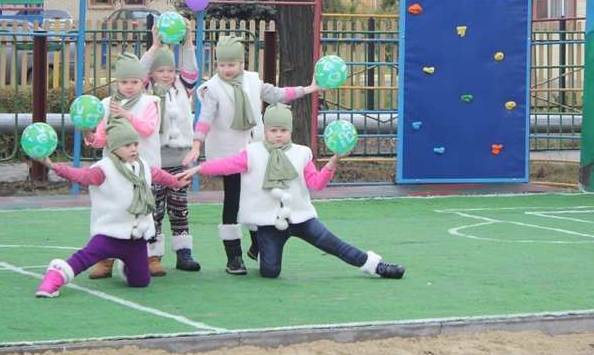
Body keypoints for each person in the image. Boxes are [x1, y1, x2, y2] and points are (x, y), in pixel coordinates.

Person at [178, 103, 405, 280]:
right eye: (273, 130)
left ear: (291, 131)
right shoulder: (251, 152)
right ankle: (258, 246)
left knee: (335, 245)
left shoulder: (301, 153)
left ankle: (375, 266)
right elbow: (226, 165)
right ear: (265, 131)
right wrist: (199, 168)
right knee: (270, 272)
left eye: (283, 130)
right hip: (269, 223)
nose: (278, 135)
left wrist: (333, 161)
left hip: (301, 217)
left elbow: (315, 184)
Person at [193, 34, 322, 275]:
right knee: (232, 201)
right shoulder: (212, 88)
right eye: (222, 65)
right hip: (229, 154)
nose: (226, 69)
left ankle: (256, 244)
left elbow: (277, 94)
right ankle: (233, 256)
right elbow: (205, 118)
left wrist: (309, 89)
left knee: (259, 197)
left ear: (242, 63)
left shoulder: (252, 81)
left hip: (258, 152)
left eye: (231, 64)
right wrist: (196, 143)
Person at [34, 116, 181, 298]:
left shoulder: (143, 166)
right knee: (83, 259)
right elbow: (80, 175)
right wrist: (52, 165)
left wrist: (177, 181)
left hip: (136, 238)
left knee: (141, 283)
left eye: (135, 144)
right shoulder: (103, 169)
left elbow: (161, 176)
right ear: (114, 148)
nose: (134, 148)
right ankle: (55, 275)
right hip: (109, 235)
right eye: (127, 145)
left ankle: (127, 265)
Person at [81, 52, 160, 279]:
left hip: (141, 169)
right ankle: (104, 261)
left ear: (142, 82)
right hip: (115, 170)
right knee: (110, 210)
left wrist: (126, 115)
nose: (129, 86)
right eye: (124, 82)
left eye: (134, 82)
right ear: (117, 82)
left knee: (143, 212)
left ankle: (147, 257)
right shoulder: (107, 104)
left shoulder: (149, 102)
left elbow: (147, 129)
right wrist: (88, 132)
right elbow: (101, 139)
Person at [139, 22, 201, 274]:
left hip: (179, 158)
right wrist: (154, 46)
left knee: (179, 205)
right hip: (154, 160)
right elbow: (139, 70)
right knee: (155, 208)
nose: (166, 75)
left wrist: (188, 41)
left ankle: (183, 252)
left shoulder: (181, 89)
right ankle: (153, 254)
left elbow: (192, 71)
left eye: (170, 70)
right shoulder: (144, 91)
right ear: (152, 74)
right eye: (161, 71)